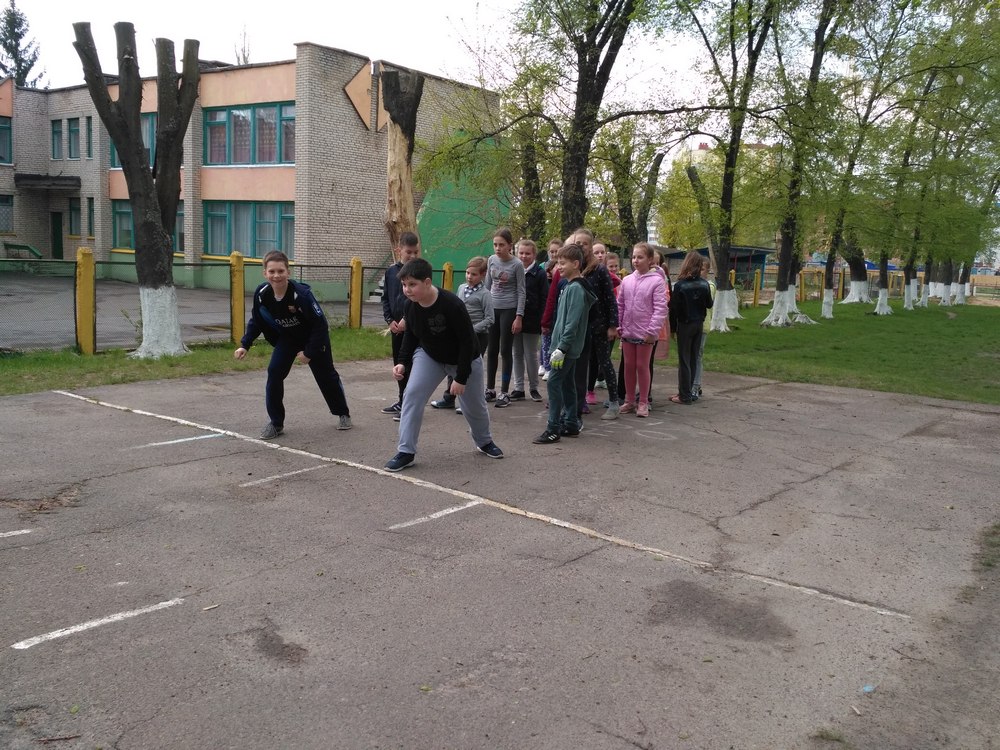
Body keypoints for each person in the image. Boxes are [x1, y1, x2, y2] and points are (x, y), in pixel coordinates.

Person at [383, 258, 503, 472]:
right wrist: (402, 362)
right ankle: (406, 451)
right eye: (404, 284)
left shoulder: (452, 304)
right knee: (412, 394)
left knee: (474, 406)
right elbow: (411, 335)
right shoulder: (410, 305)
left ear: (427, 282)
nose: (407, 290)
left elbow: (467, 342)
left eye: (412, 284)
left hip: (464, 358)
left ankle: (484, 441)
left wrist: (461, 377)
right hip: (430, 356)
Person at [235, 251, 352, 439]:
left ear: (288, 272)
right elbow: (257, 320)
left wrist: (309, 352)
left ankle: (343, 413)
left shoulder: (301, 295)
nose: (276, 276)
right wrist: (245, 344)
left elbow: (320, 325)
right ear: (265, 273)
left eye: (281, 271)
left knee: (326, 377)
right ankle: (276, 423)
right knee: (274, 372)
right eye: (272, 271)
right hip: (288, 339)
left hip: (313, 339)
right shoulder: (262, 294)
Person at [533, 243, 595, 444]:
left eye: (562, 263)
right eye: (558, 263)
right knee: (567, 384)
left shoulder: (576, 288)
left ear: (575, 264)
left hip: (566, 349)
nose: (558, 267)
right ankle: (570, 423)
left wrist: (562, 348)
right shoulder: (569, 286)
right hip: (564, 347)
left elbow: (572, 323)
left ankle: (553, 429)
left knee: (554, 382)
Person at [430, 256, 493, 412]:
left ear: (483, 275)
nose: (469, 277)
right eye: (468, 273)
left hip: (478, 337)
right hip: (459, 335)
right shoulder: (461, 288)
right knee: (453, 365)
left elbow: (490, 318)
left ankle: (469, 404)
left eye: (474, 274)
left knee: (469, 369)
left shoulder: (485, 294)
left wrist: (471, 329)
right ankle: (449, 398)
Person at [616, 243, 668, 418]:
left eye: (640, 257)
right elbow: (620, 305)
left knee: (642, 366)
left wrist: (652, 331)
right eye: (633, 257)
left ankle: (643, 401)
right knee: (628, 366)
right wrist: (619, 324)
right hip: (628, 331)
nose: (636, 261)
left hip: (646, 333)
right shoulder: (627, 280)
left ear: (650, 259)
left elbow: (660, 308)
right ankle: (629, 400)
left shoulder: (657, 281)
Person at [380, 232, 422, 420]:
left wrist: (407, 319)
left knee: (410, 365)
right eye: (408, 252)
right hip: (396, 328)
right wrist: (390, 320)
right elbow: (385, 298)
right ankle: (402, 400)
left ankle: (410, 404)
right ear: (399, 251)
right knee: (398, 365)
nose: (412, 256)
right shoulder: (391, 272)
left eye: (415, 252)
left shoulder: (419, 272)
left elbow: (418, 300)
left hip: (413, 328)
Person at [484, 227, 526, 408]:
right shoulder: (491, 260)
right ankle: (490, 389)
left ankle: (504, 392)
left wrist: (519, 316)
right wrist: (484, 308)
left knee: (505, 350)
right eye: (495, 244)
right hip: (493, 308)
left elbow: (521, 291)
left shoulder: (517, 265)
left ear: (510, 245)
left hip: (509, 309)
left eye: (501, 245)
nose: (498, 248)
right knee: (492, 349)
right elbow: (487, 286)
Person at [668, 251, 714, 405]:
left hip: (685, 324)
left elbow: (674, 309)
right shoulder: (704, 284)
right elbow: (709, 304)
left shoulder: (680, 285)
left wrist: (672, 329)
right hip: (698, 324)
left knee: (684, 360)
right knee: (693, 358)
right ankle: (688, 392)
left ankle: (684, 395)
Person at [511, 238, 549, 402]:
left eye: (527, 253)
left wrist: (543, 320)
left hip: (532, 319)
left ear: (534, 255)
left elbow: (544, 298)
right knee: (516, 353)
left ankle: (534, 387)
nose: (524, 256)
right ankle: (518, 388)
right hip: (514, 318)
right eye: (521, 253)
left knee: (530, 354)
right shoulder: (514, 270)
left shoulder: (539, 273)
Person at [691, 256, 717, 401]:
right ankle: (692, 384)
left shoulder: (709, 286)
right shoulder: (691, 283)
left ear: (707, 271)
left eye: (702, 269)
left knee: (697, 356)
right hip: (692, 324)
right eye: (697, 268)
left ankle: (695, 386)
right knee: (690, 356)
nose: (699, 272)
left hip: (703, 326)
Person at [539, 256, 558, 381]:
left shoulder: (561, 282)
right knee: (546, 345)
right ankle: (547, 367)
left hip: (556, 319)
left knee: (554, 345)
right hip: (547, 319)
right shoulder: (546, 282)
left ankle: (552, 368)